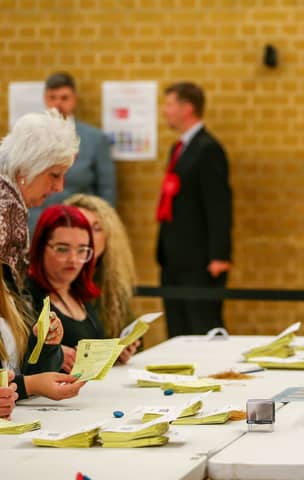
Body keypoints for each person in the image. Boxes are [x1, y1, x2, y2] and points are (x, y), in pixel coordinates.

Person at [0, 109, 84, 400]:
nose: (60, 187)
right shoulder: (6, 206)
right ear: (28, 169)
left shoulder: (13, 203)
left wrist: (44, 343)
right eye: (54, 175)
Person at [156, 82, 232, 336]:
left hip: (199, 260)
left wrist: (219, 255)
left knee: (202, 326)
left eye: (169, 104)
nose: (164, 111)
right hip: (175, 256)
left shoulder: (208, 149)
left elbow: (219, 204)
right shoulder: (179, 149)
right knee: (178, 330)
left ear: (187, 108)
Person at [27, 205, 138, 373]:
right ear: (41, 247)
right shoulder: (27, 295)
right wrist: (54, 355)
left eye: (82, 251)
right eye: (62, 249)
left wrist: (113, 354)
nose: (73, 260)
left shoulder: (80, 294)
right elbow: (21, 357)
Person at [28, 71, 117, 233]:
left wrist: (101, 226)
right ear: (45, 99)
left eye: (64, 98)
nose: (57, 104)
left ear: (74, 99)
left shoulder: (95, 139)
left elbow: (107, 189)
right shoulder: (29, 137)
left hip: (80, 225)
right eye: (52, 98)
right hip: (38, 225)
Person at [63, 194, 137, 339]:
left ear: (109, 236)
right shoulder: (55, 284)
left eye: (96, 229)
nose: (88, 236)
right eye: (81, 226)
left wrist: (121, 349)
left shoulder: (112, 286)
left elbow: (131, 336)